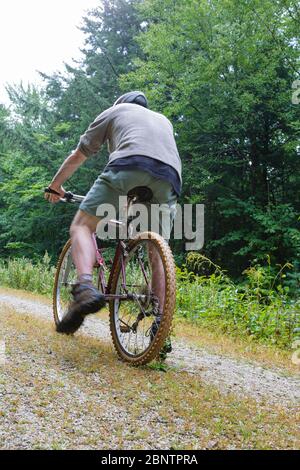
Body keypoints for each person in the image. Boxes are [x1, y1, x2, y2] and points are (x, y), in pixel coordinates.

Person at [45, 91, 182, 337]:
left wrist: (55, 186)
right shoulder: (164, 120)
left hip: (128, 166)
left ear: (119, 104)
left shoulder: (114, 111)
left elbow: (80, 155)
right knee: (156, 251)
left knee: (82, 227)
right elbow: (153, 162)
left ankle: (85, 287)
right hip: (169, 179)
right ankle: (161, 325)